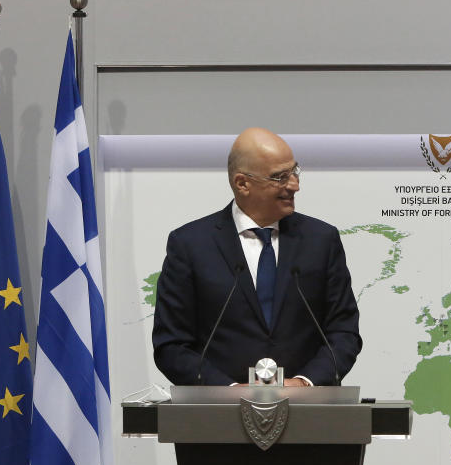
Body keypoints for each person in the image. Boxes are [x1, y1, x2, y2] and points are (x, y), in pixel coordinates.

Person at [153, 127, 362, 386]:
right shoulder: (189, 245)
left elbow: (344, 333)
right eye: (280, 177)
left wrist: (305, 382)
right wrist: (228, 390)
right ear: (243, 184)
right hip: (218, 417)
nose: (295, 185)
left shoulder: (321, 240)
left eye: (294, 172)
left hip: (308, 412)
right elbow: (172, 345)